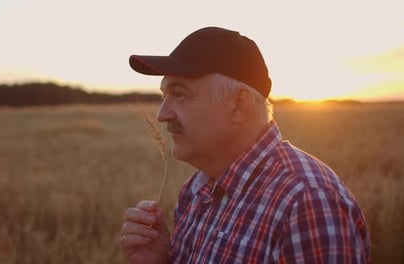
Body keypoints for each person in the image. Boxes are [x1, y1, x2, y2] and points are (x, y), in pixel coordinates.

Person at [120, 26, 370, 263]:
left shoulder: (307, 202)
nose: (162, 115)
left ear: (239, 105)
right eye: (165, 95)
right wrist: (161, 260)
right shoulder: (196, 190)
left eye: (180, 94)